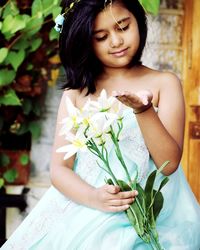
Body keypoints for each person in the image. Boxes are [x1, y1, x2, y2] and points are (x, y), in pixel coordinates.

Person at [1, 0, 200, 249]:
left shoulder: (163, 83)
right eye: (101, 36)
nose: (116, 42)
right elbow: (59, 169)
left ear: (138, 22)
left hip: (149, 211)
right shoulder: (76, 94)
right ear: (86, 41)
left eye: (123, 27)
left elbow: (168, 164)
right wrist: (93, 197)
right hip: (87, 209)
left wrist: (144, 110)